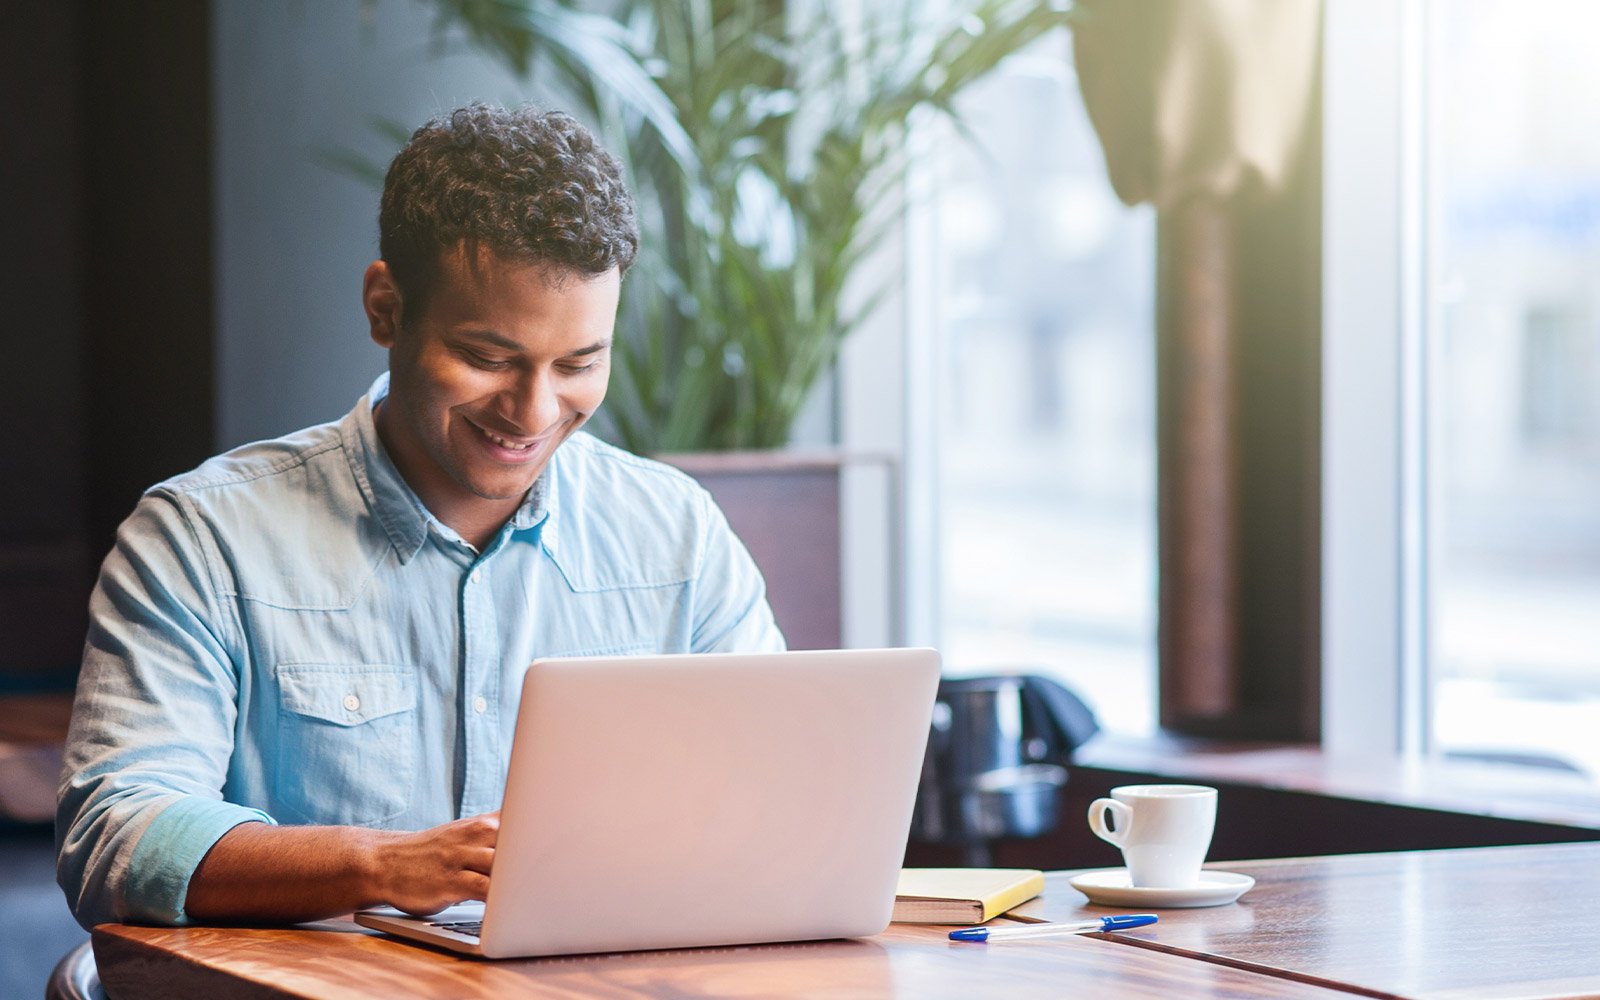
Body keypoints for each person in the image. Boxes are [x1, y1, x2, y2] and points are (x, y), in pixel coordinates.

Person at [56, 104, 784, 929]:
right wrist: (383, 866)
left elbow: (777, 808)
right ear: (386, 309)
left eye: (579, 363)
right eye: (487, 357)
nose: (533, 410)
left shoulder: (678, 535)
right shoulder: (202, 539)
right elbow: (117, 837)